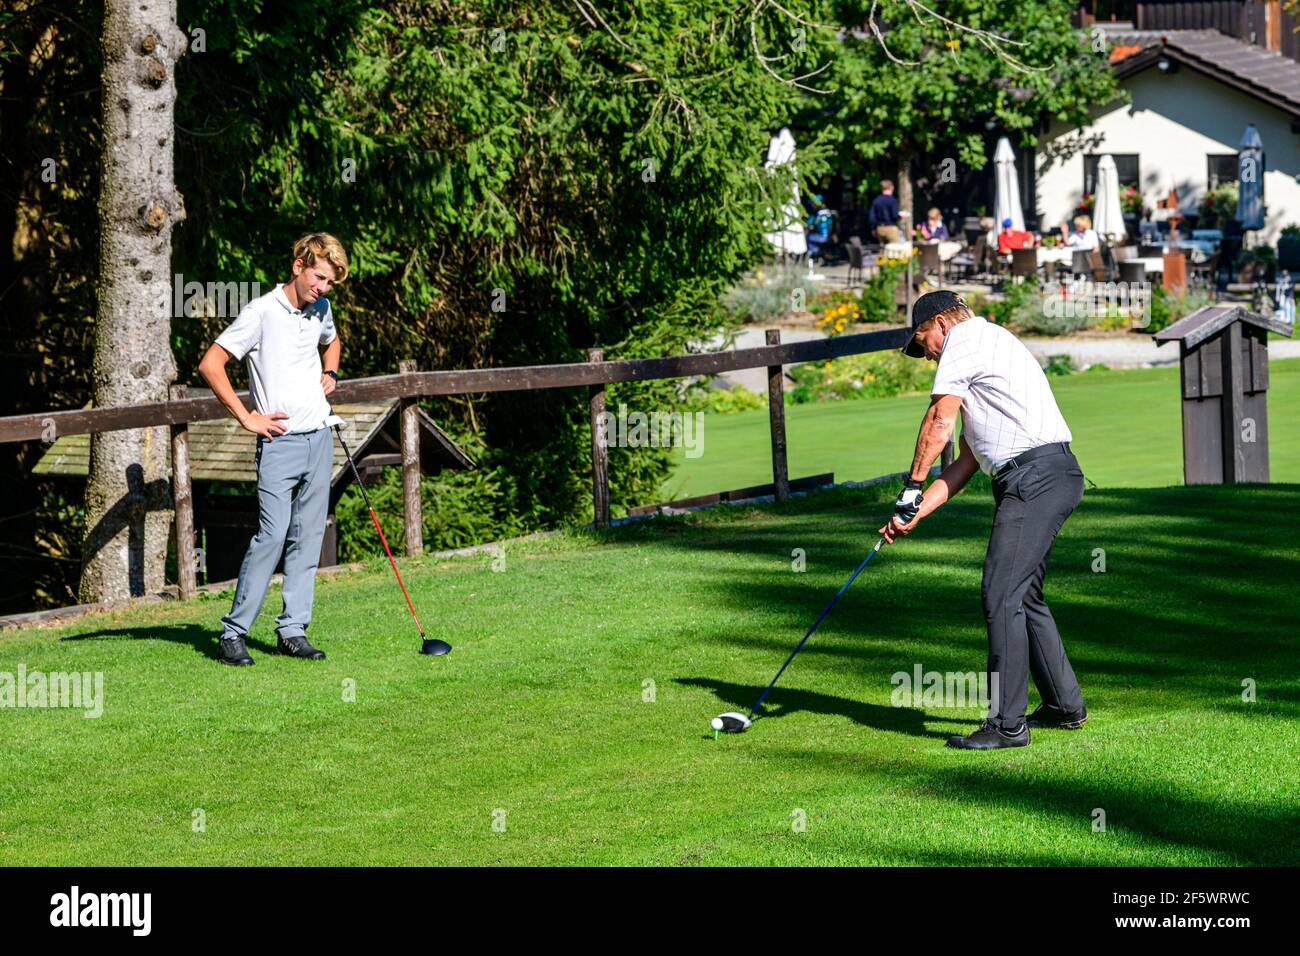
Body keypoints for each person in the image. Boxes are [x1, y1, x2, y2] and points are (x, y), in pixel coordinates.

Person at [880, 290, 1087, 750]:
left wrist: (910, 485)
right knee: (1023, 594)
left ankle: (1007, 725)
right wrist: (913, 511)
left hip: (1035, 478)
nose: (926, 354)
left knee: (1000, 592)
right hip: (1047, 475)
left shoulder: (966, 341)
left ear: (940, 323)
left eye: (923, 341)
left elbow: (938, 421)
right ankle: (1063, 704)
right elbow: (964, 465)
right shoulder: (987, 350)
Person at [198, 233, 349, 666]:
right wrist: (247, 417)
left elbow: (331, 341)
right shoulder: (261, 311)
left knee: (308, 538)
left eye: (331, 283)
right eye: (320, 277)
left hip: (319, 438)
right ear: (299, 265)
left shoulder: (321, 308)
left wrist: (331, 370)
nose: (324, 288)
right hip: (279, 443)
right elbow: (212, 364)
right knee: (271, 536)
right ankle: (233, 634)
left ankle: (292, 630)